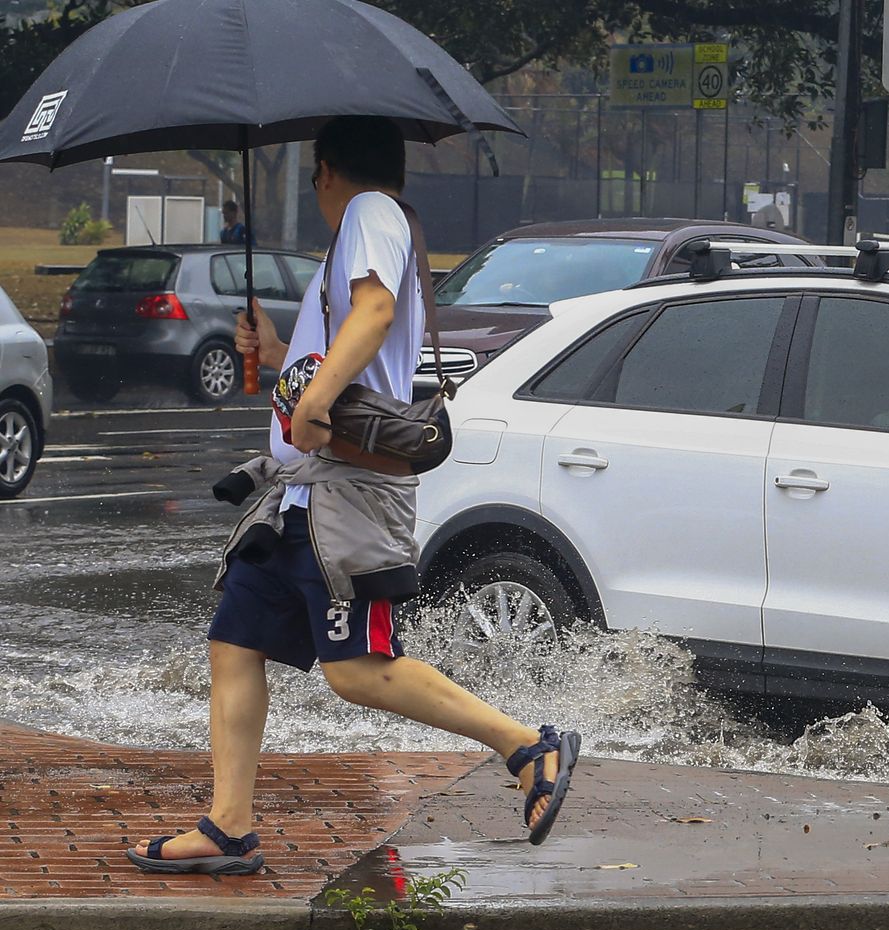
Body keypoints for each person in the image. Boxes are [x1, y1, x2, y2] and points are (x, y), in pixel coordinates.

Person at [127, 116, 579, 875]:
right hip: (296, 500)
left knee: (358, 670)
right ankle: (229, 827)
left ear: (327, 172)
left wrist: (310, 399)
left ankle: (529, 747)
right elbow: (341, 358)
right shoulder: (361, 240)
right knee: (234, 644)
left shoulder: (371, 213)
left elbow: (374, 317)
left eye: (315, 177)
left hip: (345, 499)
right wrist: (280, 354)